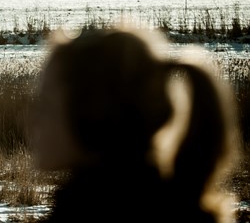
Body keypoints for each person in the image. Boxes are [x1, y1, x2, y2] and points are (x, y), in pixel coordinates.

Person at [25, 27, 239, 223]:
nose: (31, 118)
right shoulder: (174, 205)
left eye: (45, 104)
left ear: (96, 113)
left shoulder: (86, 213)